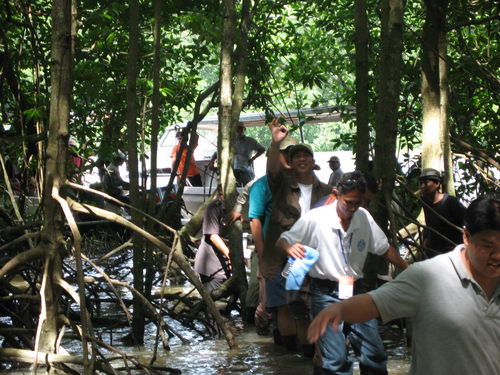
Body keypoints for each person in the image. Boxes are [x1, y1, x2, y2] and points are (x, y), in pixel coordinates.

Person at [308, 194, 500, 375]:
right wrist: (337, 310)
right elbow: (376, 302)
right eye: (488, 246)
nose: (497, 256)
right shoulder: (430, 276)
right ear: (466, 236)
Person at [277, 171, 408, 375]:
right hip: (325, 293)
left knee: (374, 353)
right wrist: (288, 248)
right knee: (335, 359)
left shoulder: (363, 216)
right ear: (337, 194)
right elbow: (283, 239)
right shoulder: (315, 218)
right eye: (349, 202)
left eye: (358, 203)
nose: (353, 208)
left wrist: (409, 269)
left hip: (357, 291)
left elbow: (383, 248)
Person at [264, 118, 332, 355]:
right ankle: (298, 358)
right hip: (287, 255)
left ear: (313, 162)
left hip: (315, 256)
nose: (302, 159)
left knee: (314, 307)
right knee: (293, 308)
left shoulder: (326, 191)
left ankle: (314, 356)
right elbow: (272, 170)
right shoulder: (282, 185)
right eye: (297, 156)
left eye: (306, 156)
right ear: (291, 163)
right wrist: (275, 143)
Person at [247, 136, 299, 335]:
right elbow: (255, 221)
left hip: (296, 252)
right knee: (266, 305)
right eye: (283, 154)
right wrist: (263, 256)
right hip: (272, 253)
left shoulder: (299, 183)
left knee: (294, 303)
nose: (287, 159)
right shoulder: (261, 186)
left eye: (290, 155)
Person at [419, 168, 466, 257]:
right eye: (421, 183)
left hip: (452, 253)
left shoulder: (451, 202)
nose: (422, 186)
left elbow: (469, 221)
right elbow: (429, 224)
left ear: (437, 184)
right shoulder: (424, 201)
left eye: (426, 182)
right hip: (433, 252)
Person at [194, 185, 231, 293]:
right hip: (211, 266)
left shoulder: (229, 208)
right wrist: (230, 255)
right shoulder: (213, 207)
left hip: (222, 264)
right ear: (221, 192)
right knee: (211, 300)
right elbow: (213, 236)